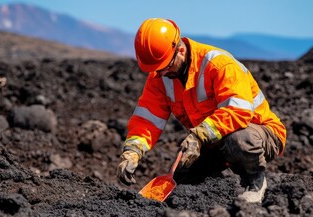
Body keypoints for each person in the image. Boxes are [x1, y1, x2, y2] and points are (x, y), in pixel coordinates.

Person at [117, 18, 286, 203]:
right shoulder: (159, 75)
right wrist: (132, 151)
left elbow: (238, 111)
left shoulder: (219, 64)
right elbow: (147, 119)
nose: (162, 74)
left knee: (239, 140)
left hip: (259, 133)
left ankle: (255, 182)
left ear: (180, 50)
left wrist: (199, 136)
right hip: (212, 140)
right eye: (158, 70)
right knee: (182, 179)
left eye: (165, 67)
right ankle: (223, 191)